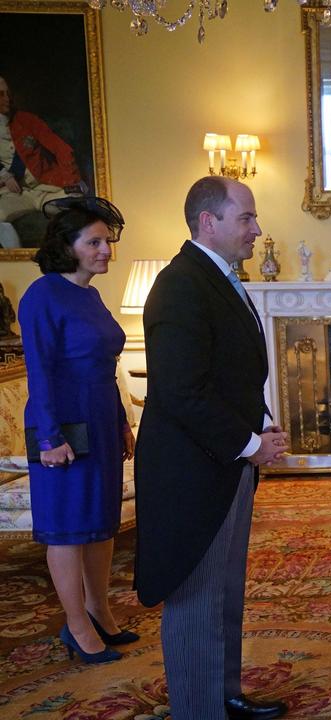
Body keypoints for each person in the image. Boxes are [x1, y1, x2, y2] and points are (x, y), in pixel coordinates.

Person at [133, 177, 289, 720]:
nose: (256, 228)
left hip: (223, 463)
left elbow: (232, 375)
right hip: (191, 472)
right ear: (209, 222)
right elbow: (181, 391)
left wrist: (260, 430)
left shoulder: (217, 278)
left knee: (223, 592)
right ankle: (199, 711)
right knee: (197, 596)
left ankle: (224, 695)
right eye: (245, 217)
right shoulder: (180, 286)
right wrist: (249, 444)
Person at [17, 196, 136, 664]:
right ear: (67, 247)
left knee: (99, 524)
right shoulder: (42, 295)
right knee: (68, 530)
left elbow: (104, 368)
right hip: (60, 425)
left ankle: (100, 611)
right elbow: (40, 372)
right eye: (95, 242)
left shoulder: (89, 293)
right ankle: (77, 626)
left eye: (107, 241)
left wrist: (122, 423)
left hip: (100, 420)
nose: (106, 250)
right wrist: (49, 437)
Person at [0, 75, 80, 246]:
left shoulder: (26, 120)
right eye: (1, 94)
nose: (7, 99)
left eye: (8, 93)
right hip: (15, 193)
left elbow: (61, 149)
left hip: (46, 188)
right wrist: (4, 176)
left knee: (79, 209)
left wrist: (71, 183)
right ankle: (17, 261)